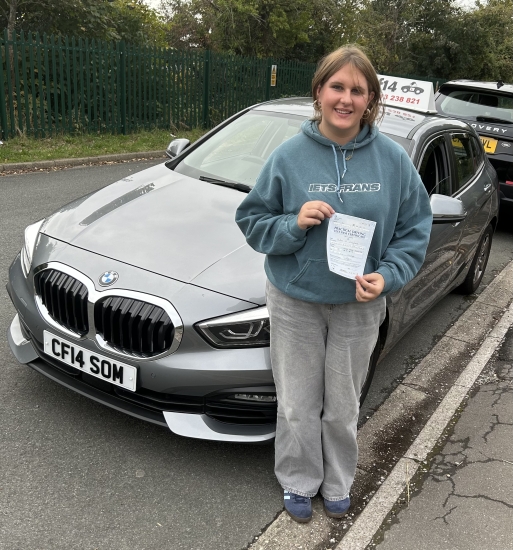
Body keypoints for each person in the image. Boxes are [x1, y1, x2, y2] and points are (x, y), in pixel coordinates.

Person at [235, 45, 432, 523]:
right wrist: (292, 223)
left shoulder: (393, 161)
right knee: (298, 402)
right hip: (294, 301)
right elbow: (252, 220)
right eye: (337, 87)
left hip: (359, 306)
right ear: (319, 92)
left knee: (342, 404)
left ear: (371, 101)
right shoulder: (289, 156)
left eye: (357, 90)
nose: (345, 98)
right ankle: (298, 480)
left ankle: (338, 481)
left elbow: (414, 230)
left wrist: (388, 276)